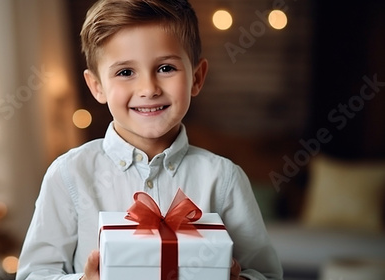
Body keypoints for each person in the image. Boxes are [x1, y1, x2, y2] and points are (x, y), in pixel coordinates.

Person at [16, 0, 283, 279]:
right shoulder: (69, 174)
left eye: (166, 68)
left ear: (197, 77)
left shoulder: (224, 178)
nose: (148, 89)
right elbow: (34, 274)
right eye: (125, 72)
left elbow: (267, 274)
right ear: (97, 86)